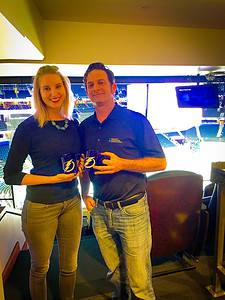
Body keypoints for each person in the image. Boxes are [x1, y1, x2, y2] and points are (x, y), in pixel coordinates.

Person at [79, 62, 167, 300]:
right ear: (86, 90)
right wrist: (84, 194)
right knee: (116, 274)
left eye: (100, 82)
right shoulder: (84, 127)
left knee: (139, 281)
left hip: (131, 210)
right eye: (90, 84)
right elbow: (84, 168)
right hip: (99, 210)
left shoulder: (135, 121)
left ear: (113, 87)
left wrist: (122, 163)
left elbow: (160, 163)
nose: (95, 88)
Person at [4, 65, 82, 300]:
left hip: (72, 203)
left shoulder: (73, 124)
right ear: (38, 93)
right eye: (46, 88)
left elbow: (79, 161)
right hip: (40, 208)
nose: (53, 92)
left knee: (70, 266)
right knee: (40, 268)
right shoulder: (28, 127)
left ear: (66, 89)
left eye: (58, 86)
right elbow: (11, 175)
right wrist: (51, 178)